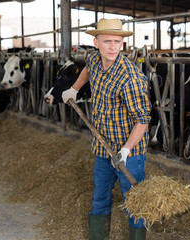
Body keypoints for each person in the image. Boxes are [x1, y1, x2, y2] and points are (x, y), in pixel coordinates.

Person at [62, 19, 151, 240]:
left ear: (123, 43)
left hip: (128, 153)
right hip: (102, 147)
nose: (112, 47)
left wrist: (126, 150)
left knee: (134, 202)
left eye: (117, 41)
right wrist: (74, 89)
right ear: (96, 42)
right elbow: (87, 70)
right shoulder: (93, 59)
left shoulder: (130, 78)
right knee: (99, 197)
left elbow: (143, 119)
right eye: (107, 41)